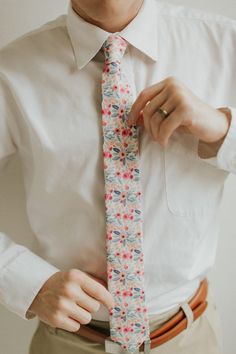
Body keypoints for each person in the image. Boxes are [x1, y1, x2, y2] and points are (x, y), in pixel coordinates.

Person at [0, 0, 236, 353]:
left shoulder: (224, 42)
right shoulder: (11, 73)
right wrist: (23, 281)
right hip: (67, 343)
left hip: (190, 338)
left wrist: (222, 130)